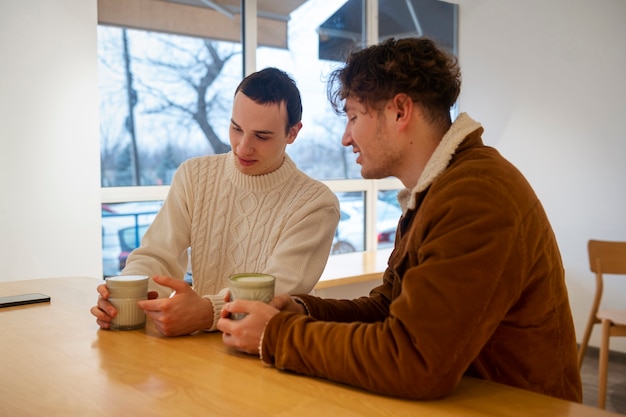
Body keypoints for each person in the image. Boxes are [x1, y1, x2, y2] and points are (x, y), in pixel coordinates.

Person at [217, 38, 583, 402]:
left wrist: (276, 335)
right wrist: (301, 308)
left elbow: (415, 361)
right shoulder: (439, 190)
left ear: (400, 111)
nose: (346, 138)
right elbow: (388, 310)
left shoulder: (477, 195)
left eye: (354, 117)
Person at [91, 67, 340, 337]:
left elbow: (278, 292)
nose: (243, 146)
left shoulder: (315, 204)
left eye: (262, 136)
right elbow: (156, 255)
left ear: (293, 133)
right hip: (200, 347)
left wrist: (207, 311)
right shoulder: (194, 175)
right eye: (236, 128)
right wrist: (126, 295)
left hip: (269, 350)